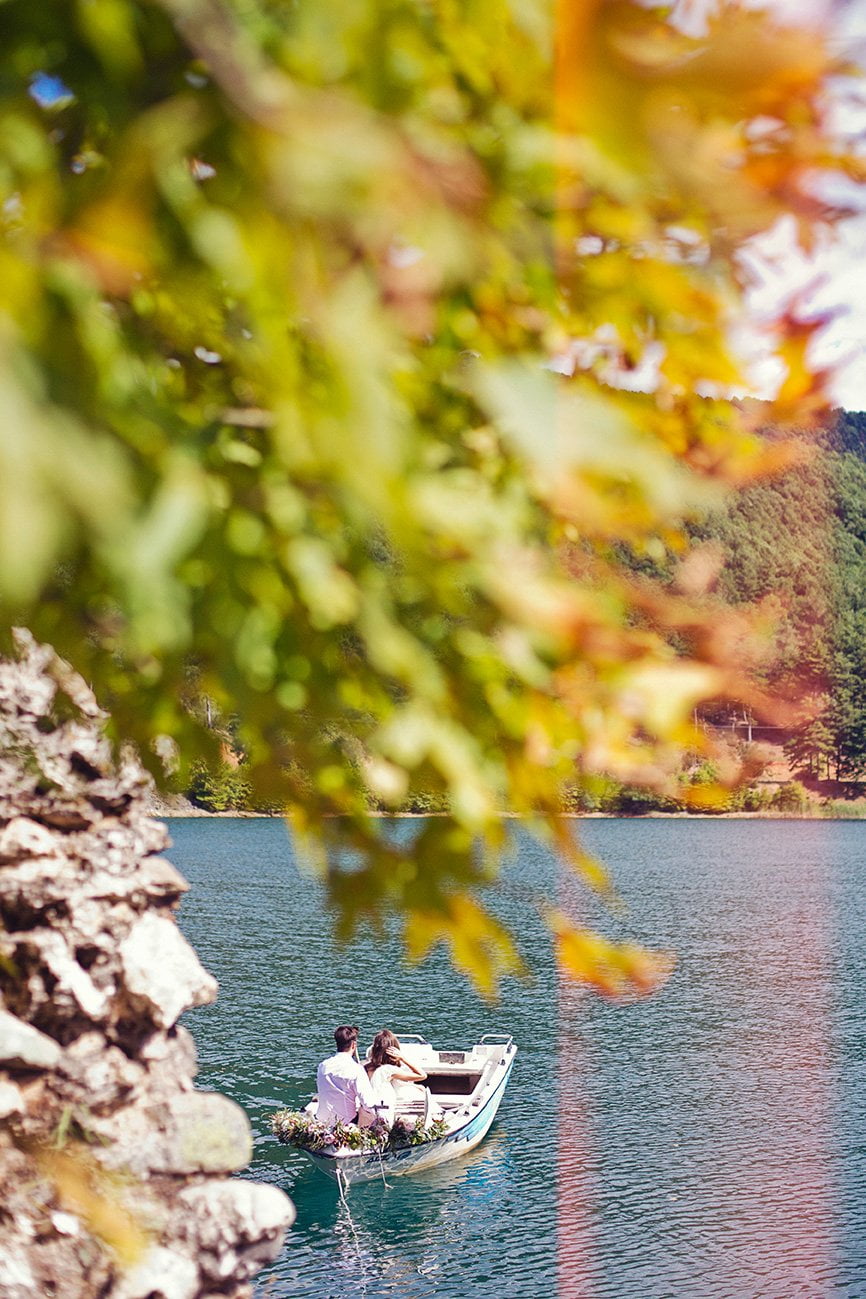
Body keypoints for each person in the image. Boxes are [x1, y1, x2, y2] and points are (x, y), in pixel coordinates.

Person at [359, 1029, 430, 1127]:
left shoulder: (365, 1067)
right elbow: (422, 1075)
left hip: (366, 1111)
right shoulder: (389, 1070)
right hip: (383, 1111)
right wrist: (403, 1058)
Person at [316, 1025, 377, 1126]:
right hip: (346, 1123)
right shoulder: (356, 1069)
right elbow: (368, 1103)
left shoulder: (323, 1066)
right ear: (354, 1045)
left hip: (322, 1120)